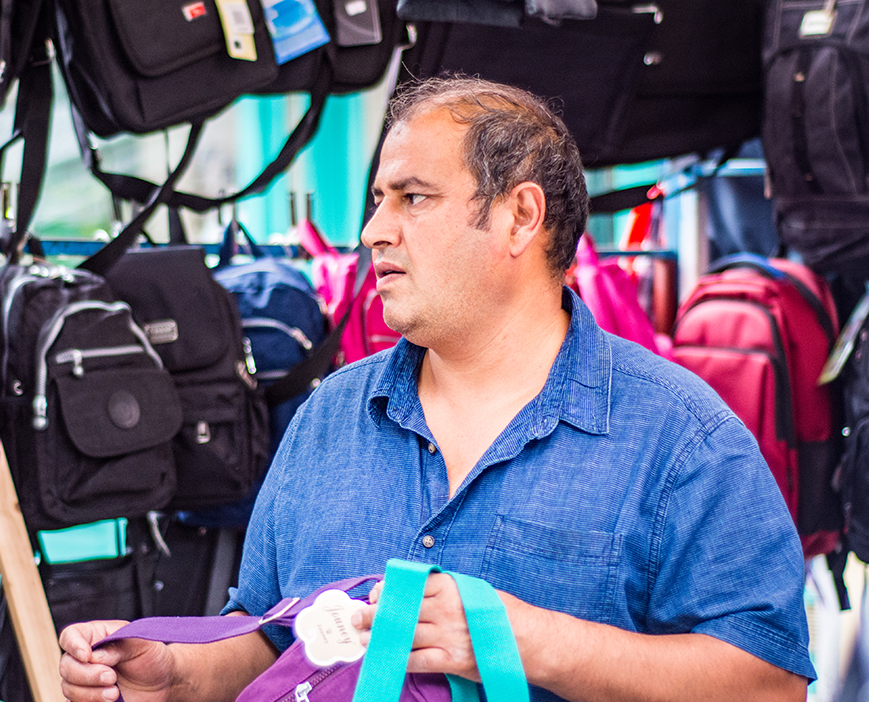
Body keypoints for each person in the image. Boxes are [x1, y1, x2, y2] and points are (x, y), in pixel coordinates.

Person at [59, 75, 815, 702]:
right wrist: (177, 675)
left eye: (412, 198)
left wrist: (526, 642)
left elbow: (770, 685)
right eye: (378, 199)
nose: (373, 231)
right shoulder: (327, 418)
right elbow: (272, 640)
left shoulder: (683, 440)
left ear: (520, 216)